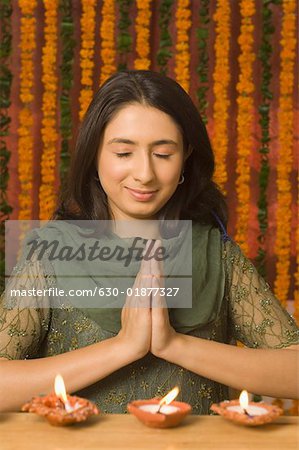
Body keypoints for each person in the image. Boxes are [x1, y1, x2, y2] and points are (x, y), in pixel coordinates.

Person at [0, 70, 298, 414]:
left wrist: (174, 344)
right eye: (124, 153)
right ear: (94, 155)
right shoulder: (49, 253)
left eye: (163, 153)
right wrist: (123, 347)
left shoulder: (215, 253)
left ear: (186, 155)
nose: (144, 173)